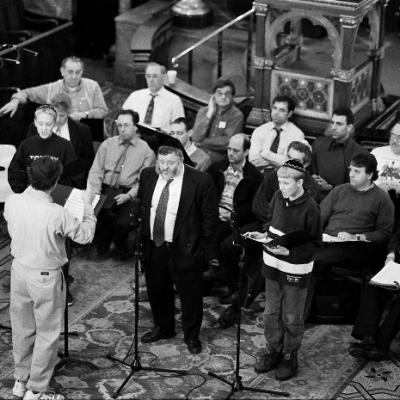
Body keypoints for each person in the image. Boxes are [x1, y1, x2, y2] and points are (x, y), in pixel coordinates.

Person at [4, 156, 96, 400]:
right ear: (55, 182)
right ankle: (36, 391)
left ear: (30, 176)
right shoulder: (57, 213)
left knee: (22, 328)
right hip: (45, 276)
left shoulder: (12, 202)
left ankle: (20, 381)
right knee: (46, 333)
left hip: (19, 270)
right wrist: (89, 211)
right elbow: (85, 237)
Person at [217, 140, 322, 329]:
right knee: (231, 244)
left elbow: (300, 223)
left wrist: (274, 230)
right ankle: (234, 287)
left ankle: (236, 308)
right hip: (265, 224)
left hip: (290, 238)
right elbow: (258, 204)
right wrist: (269, 225)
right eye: (287, 158)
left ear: (305, 166)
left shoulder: (312, 189)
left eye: (295, 161)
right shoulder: (275, 176)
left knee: (261, 268)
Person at [138, 143, 218, 354]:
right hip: (155, 244)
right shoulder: (147, 175)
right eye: (161, 162)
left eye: (170, 163)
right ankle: (164, 327)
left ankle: (191, 335)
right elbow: (144, 208)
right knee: (157, 289)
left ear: (181, 160)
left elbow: (210, 219)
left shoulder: (200, 181)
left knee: (190, 295)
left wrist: (202, 250)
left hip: (185, 248)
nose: (164, 167)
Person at [246, 159, 321, 380]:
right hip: (272, 263)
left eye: (286, 183)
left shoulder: (311, 208)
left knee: (291, 315)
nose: (281, 186)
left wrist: (290, 253)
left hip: (295, 268)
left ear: (300, 183)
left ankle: (290, 355)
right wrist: (264, 235)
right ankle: (274, 350)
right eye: (280, 181)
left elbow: (315, 245)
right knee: (271, 312)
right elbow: (271, 222)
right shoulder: (278, 197)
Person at [87, 109, 155, 259]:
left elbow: (143, 181)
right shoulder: (107, 144)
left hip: (128, 191)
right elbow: (96, 171)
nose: (122, 129)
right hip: (105, 189)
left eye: (126, 125)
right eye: (120, 125)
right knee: (97, 217)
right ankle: (103, 241)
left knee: (123, 224)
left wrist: (129, 196)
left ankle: (120, 242)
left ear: (136, 126)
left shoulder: (146, 151)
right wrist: (95, 192)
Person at [314, 153, 394, 277]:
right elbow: (318, 218)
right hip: (328, 240)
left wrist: (356, 237)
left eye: (357, 171)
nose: (351, 174)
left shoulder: (382, 198)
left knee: (313, 259)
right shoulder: (339, 190)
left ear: (370, 175)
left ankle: (301, 294)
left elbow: (384, 233)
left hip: (355, 246)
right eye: (350, 169)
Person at [207, 133, 263, 303]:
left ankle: (228, 282)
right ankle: (207, 273)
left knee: (226, 244)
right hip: (214, 213)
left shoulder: (254, 176)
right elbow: (206, 193)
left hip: (236, 218)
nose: (230, 153)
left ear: (246, 152)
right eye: (229, 149)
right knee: (196, 228)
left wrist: (232, 215)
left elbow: (253, 208)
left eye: (236, 150)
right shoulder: (217, 167)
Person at [0, 56, 108, 121]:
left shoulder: (93, 86)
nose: (74, 76)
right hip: (63, 129)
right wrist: (15, 101)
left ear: (82, 72)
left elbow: (103, 111)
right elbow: (27, 93)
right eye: (70, 72)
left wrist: (84, 115)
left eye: (78, 72)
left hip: (88, 127)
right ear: (62, 71)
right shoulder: (52, 88)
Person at [26, 93, 95, 189]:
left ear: (69, 112)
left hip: (71, 183)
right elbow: (28, 155)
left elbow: (88, 160)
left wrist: (72, 178)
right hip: (40, 181)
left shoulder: (83, 130)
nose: (57, 119)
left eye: (62, 115)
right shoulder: (35, 127)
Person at [8, 105, 78, 194]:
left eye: (48, 124)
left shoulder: (65, 146)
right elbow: (15, 172)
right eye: (40, 123)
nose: (44, 128)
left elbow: (75, 176)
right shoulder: (26, 145)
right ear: (35, 123)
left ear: (54, 123)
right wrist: (25, 191)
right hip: (30, 195)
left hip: (56, 196)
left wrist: (58, 192)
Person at [311, 107, 367, 195]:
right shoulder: (318, 144)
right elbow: (310, 171)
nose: (333, 127)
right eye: (332, 123)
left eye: (339, 124)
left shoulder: (360, 154)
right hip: (315, 196)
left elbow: (357, 188)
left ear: (349, 127)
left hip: (342, 200)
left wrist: (329, 187)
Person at [191, 77, 244, 164]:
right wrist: (209, 114)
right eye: (219, 93)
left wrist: (202, 142)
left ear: (232, 96)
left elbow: (227, 142)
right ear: (213, 96)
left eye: (227, 94)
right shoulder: (204, 111)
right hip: (197, 152)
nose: (223, 97)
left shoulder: (237, 115)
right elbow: (195, 137)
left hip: (219, 157)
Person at [122, 62, 185, 132]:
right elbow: (121, 120)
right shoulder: (135, 96)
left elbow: (180, 128)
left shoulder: (174, 100)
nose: (151, 80)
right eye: (148, 76)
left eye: (155, 76)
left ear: (163, 77)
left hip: (161, 140)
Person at [249, 95, 304, 172]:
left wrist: (265, 154)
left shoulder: (297, 135)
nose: (276, 113)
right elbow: (253, 160)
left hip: (283, 178)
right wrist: (279, 161)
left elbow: (291, 164)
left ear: (289, 114)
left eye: (282, 110)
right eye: (275, 108)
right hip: (258, 175)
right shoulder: (260, 130)